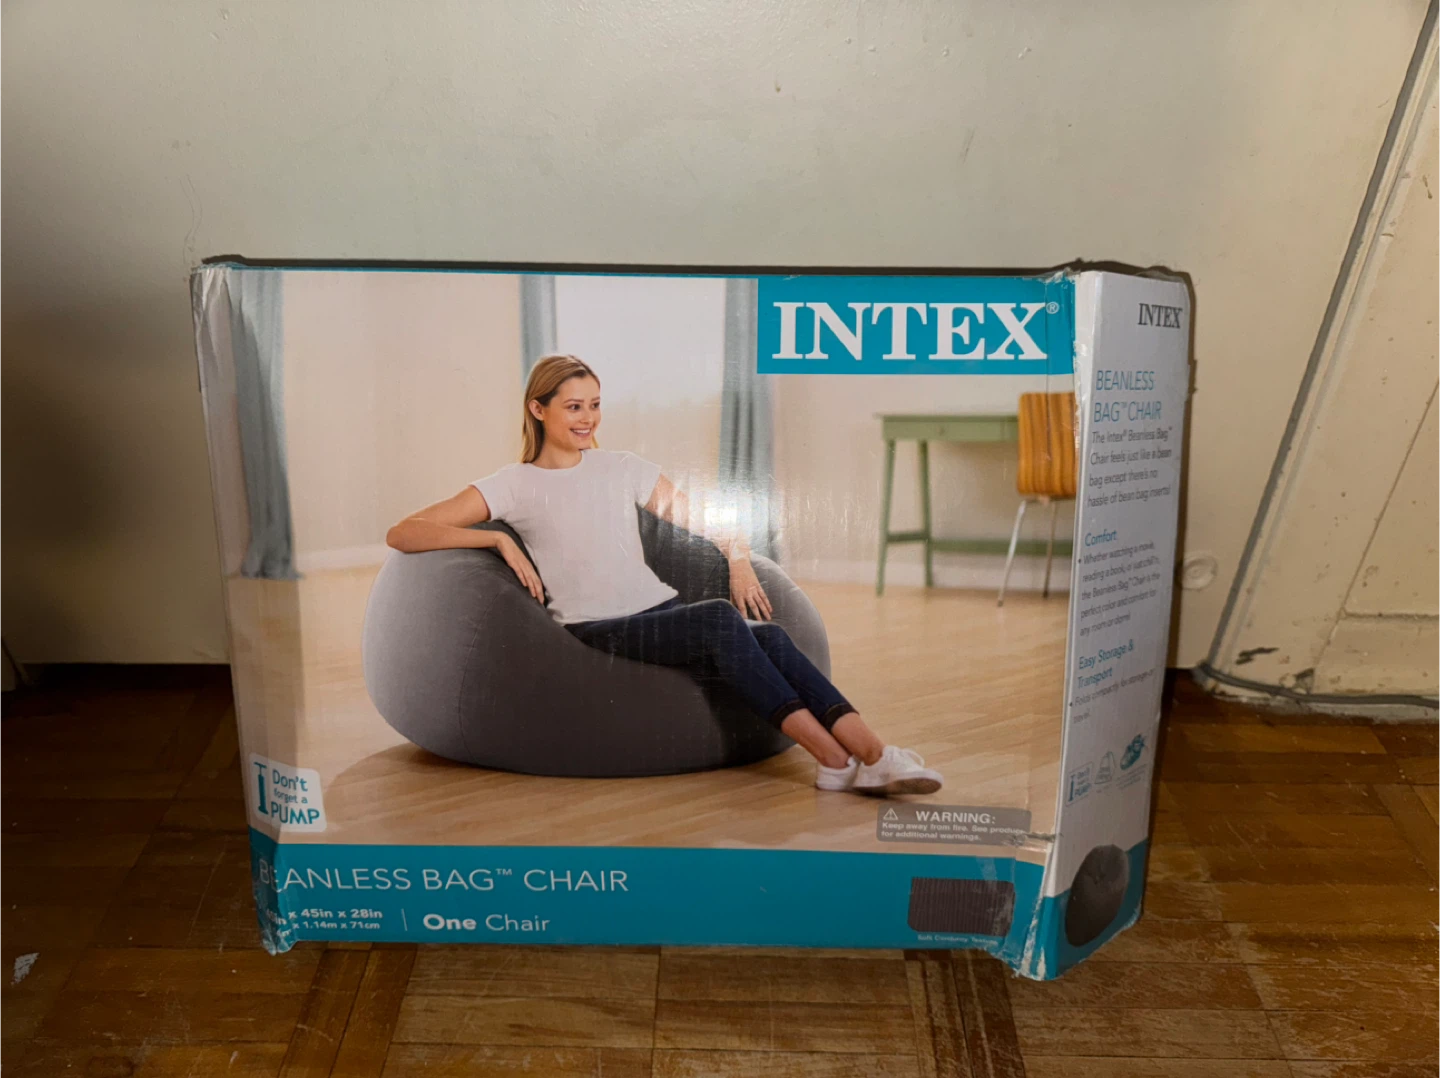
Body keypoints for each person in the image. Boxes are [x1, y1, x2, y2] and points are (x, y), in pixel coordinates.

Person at [386, 354, 943, 797]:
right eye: (573, 407)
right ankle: (844, 757)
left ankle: (862, 757)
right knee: (721, 622)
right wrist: (496, 539)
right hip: (595, 626)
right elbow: (404, 531)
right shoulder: (513, 483)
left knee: (772, 636)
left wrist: (739, 560)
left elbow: (707, 521)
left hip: (658, 613)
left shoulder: (622, 468)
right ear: (538, 409)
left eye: (595, 405)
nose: (587, 419)